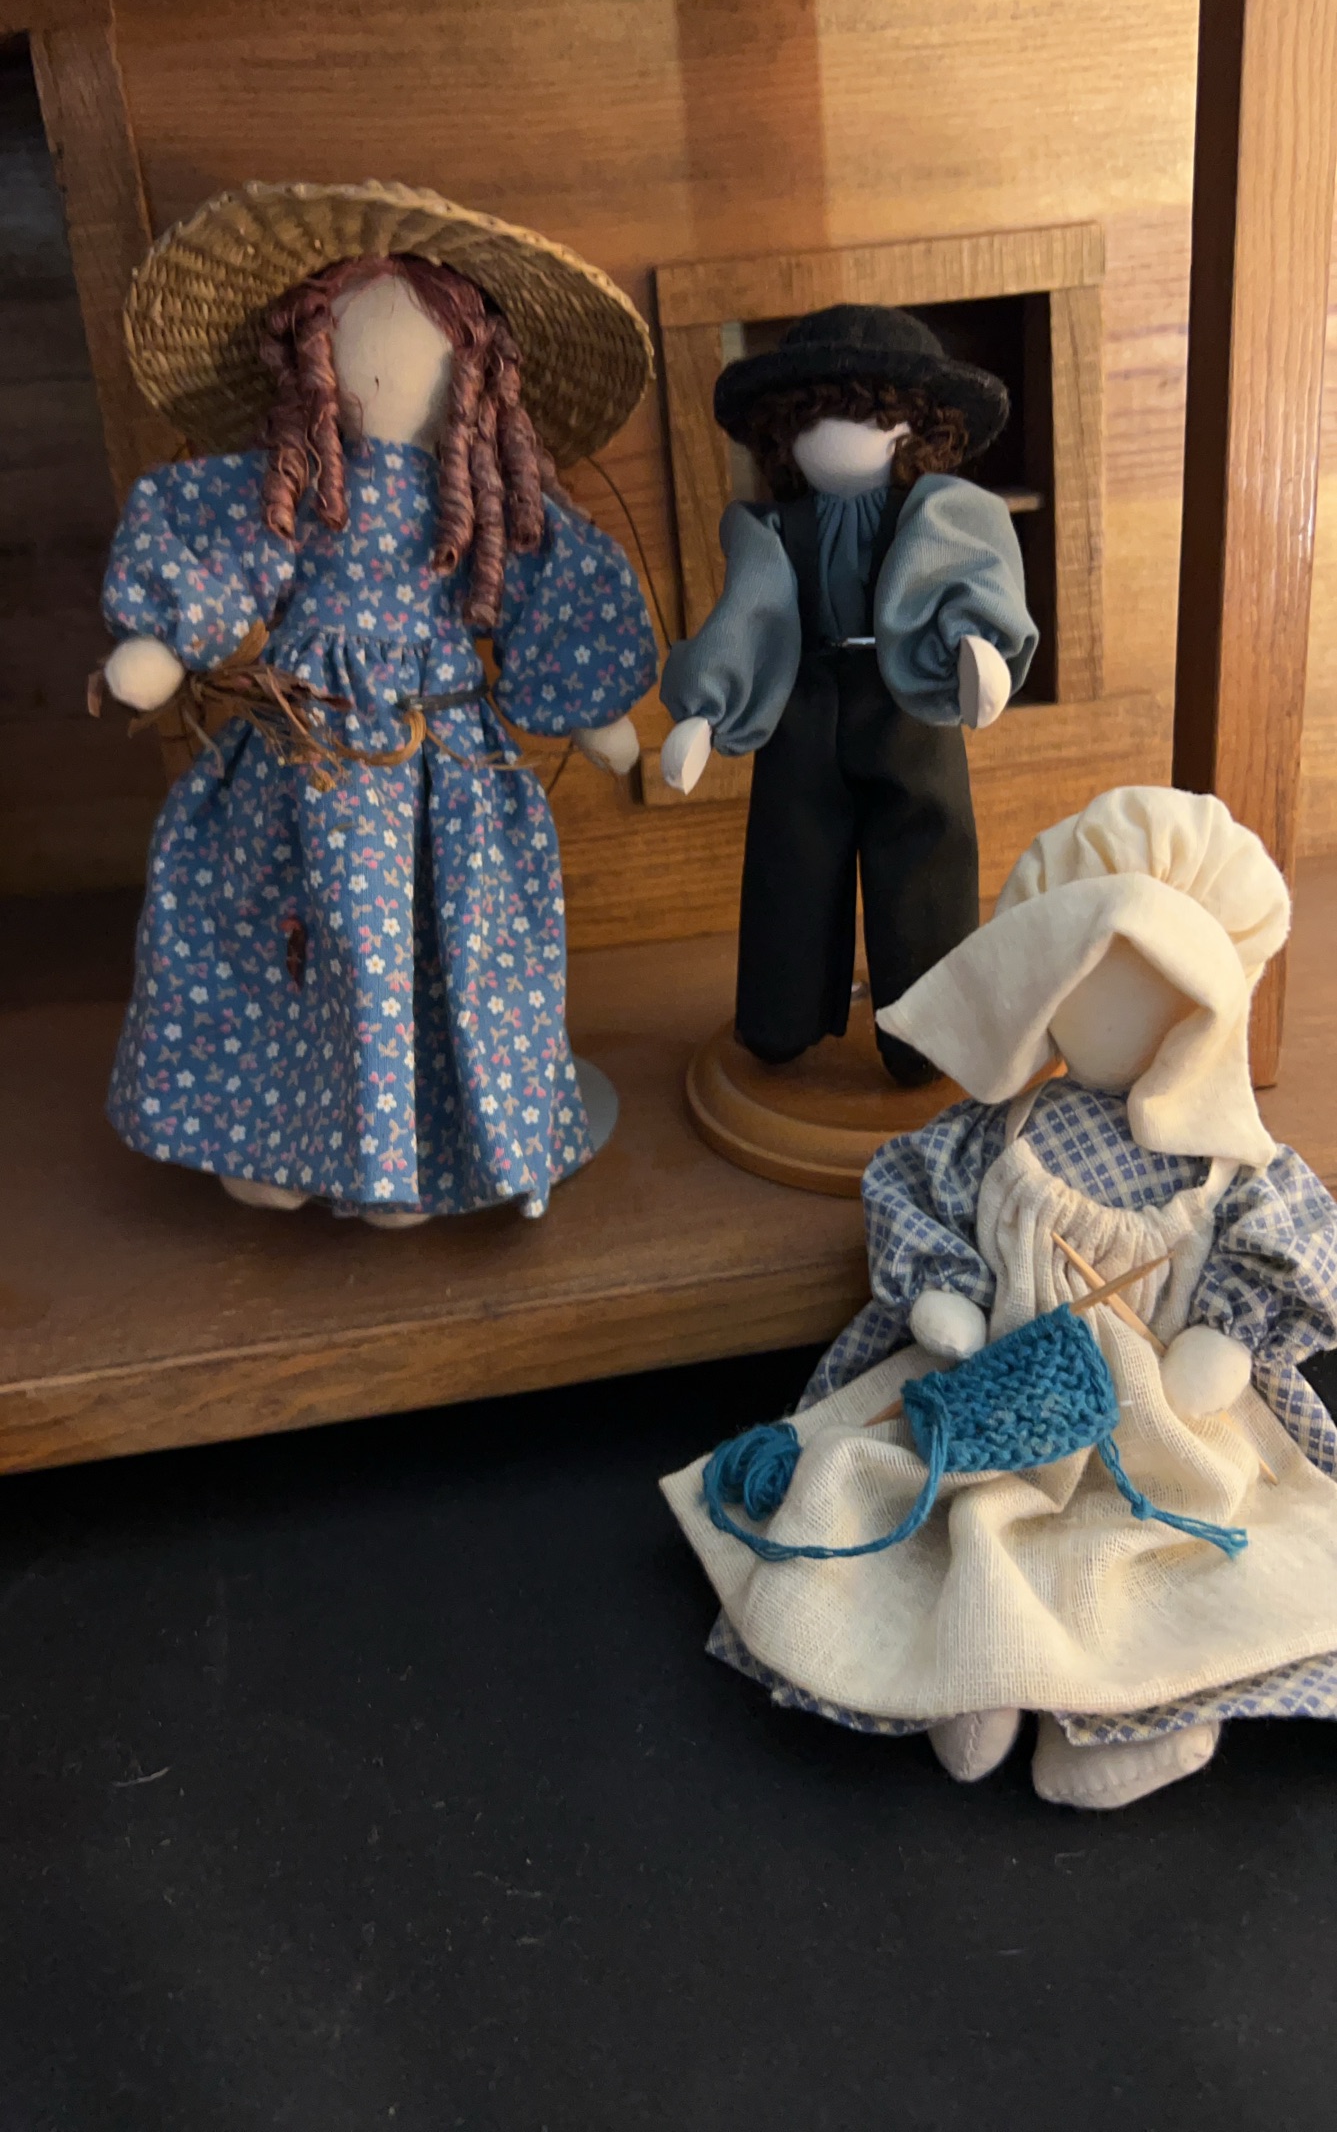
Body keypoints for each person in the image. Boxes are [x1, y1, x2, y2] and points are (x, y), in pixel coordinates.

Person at [663, 787, 1337, 1807]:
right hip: (1000, 1392)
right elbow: (915, 1188)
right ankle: (974, 1678)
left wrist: (1226, 1335)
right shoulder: (1001, 1130)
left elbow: (1288, 1244)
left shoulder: (1230, 1166)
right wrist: (945, 1290)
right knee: (965, 1520)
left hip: (1161, 1424)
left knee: (1170, 1547)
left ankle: (1142, 1719)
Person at [98, 180, 658, 1225]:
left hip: (444, 762)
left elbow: (540, 578)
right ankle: (273, 1142)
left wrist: (593, 708)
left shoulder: (483, 501)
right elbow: (225, 548)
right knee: (286, 948)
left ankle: (421, 1155)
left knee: (446, 949)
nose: (385, 371)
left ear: (479, 380)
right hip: (301, 752)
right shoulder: (294, 487)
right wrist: (161, 642)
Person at [658, 304, 1037, 1084]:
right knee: (789, 855)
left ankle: (930, 1036)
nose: (838, 434)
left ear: (917, 429)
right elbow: (752, 613)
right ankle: (781, 1016)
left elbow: (962, 576)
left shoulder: (937, 515)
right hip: (800, 702)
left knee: (926, 857)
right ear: (782, 434)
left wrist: (975, 649)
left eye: (869, 415)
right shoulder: (770, 530)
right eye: (812, 417)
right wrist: (707, 712)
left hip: (908, 702)